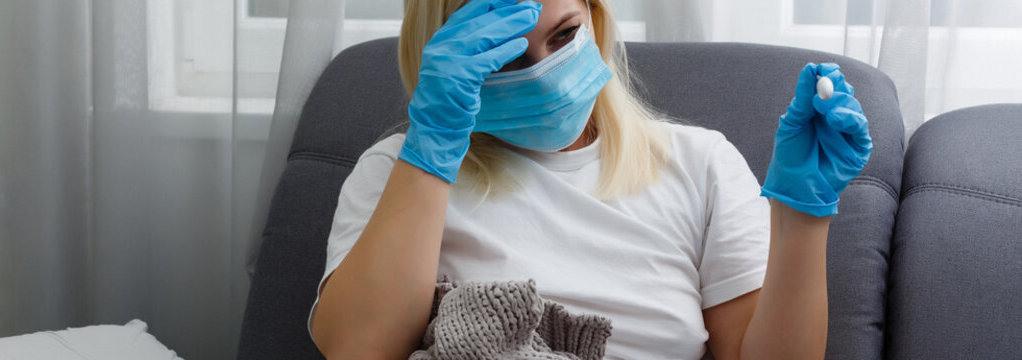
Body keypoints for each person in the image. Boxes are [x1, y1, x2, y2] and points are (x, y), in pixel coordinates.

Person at [308, 0, 872, 358]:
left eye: (562, 36)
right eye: (502, 60)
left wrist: (801, 217)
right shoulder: (396, 170)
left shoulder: (700, 163)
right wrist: (432, 145)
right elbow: (358, 350)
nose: (544, 76)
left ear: (594, 21)